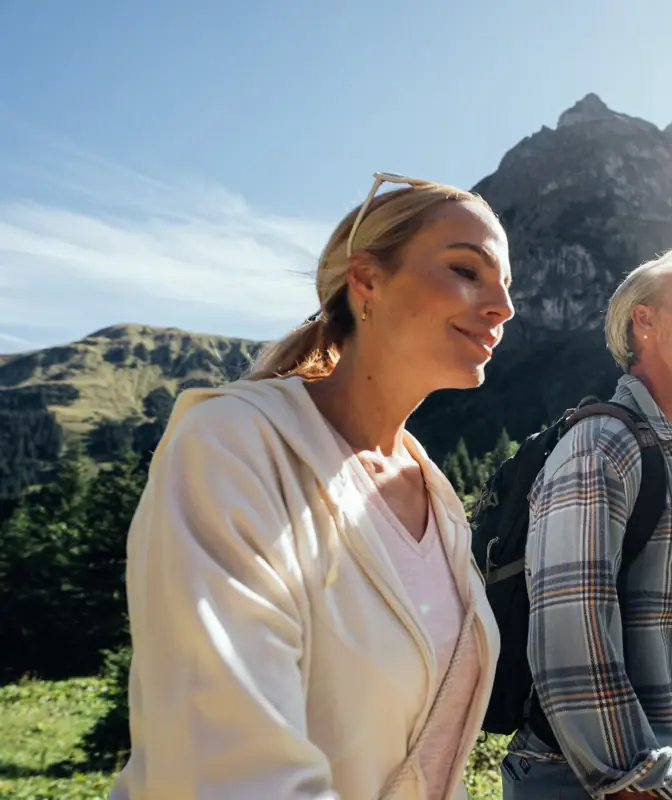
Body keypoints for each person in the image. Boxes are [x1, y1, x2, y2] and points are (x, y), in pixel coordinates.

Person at [110, 172, 515, 800]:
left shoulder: (438, 500)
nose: (503, 307)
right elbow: (225, 766)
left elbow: (429, 758)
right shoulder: (233, 444)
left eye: (507, 285)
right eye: (467, 270)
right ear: (367, 280)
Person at [502, 249, 672, 800]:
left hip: (671, 772)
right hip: (596, 778)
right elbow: (571, 627)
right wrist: (630, 780)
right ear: (643, 321)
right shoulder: (602, 445)